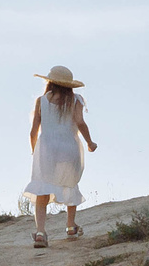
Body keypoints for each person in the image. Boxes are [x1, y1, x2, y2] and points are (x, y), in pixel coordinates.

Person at [24, 66, 97, 246]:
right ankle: (70, 227)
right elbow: (80, 122)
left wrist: (34, 150)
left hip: (47, 148)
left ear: (50, 82)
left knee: (42, 189)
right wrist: (90, 142)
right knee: (70, 183)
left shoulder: (41, 101)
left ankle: (40, 232)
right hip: (69, 147)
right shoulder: (76, 100)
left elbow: (34, 130)